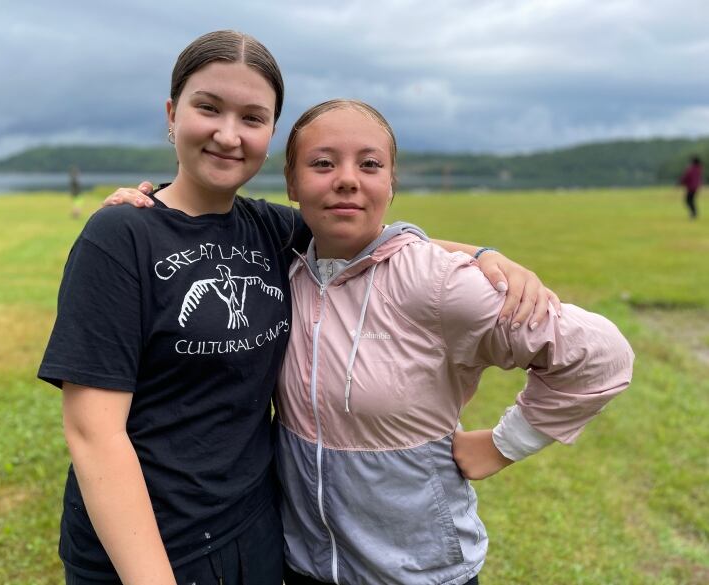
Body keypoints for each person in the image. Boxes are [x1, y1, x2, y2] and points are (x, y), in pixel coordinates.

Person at [40, 31, 559, 585]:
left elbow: (370, 240)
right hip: (143, 548)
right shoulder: (120, 237)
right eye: (208, 108)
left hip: (257, 536)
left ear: (270, 136)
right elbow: (95, 434)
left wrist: (482, 255)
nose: (228, 134)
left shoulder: (272, 229)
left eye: (252, 118)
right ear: (173, 113)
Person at [273, 100, 634, 585]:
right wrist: (138, 205)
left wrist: (506, 444)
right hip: (303, 567)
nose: (347, 179)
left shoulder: (435, 280)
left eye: (370, 164)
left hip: (422, 574)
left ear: (391, 183)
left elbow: (599, 353)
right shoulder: (280, 268)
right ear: (292, 183)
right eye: (322, 162)